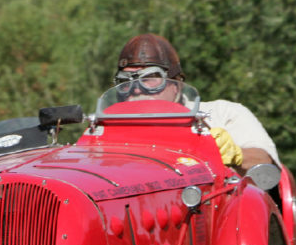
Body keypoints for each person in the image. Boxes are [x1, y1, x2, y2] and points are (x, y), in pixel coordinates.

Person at [113, 33, 278, 170]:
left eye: (149, 78)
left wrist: (234, 154)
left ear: (176, 84)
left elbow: (265, 162)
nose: (136, 89)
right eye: (125, 82)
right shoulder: (105, 131)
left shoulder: (222, 114)